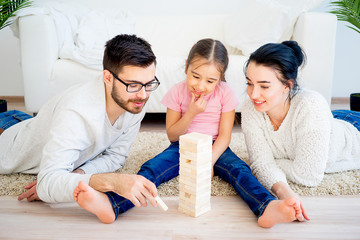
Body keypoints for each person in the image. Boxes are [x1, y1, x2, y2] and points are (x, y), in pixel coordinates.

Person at [73, 38, 302, 228]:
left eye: (211, 80)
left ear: (221, 78)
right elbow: (173, 135)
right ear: (186, 68)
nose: (201, 86)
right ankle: (112, 204)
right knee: (152, 168)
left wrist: (208, 161)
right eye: (195, 76)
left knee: (239, 170)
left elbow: (224, 136)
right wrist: (191, 113)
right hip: (182, 145)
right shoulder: (177, 92)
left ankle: (266, 207)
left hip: (215, 147)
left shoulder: (225, 93)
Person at [0, 34, 161, 208]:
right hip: (9, 146)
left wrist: (78, 175)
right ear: (107, 78)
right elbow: (47, 182)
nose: (143, 95)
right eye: (133, 85)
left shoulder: (135, 101)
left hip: (32, 124)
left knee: (38, 123)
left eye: (149, 84)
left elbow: (116, 157)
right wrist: (112, 181)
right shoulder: (75, 112)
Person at [241, 40, 360, 222]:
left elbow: (308, 175)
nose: (253, 94)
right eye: (250, 83)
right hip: (332, 119)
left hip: (353, 129)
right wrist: (284, 192)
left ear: (287, 85)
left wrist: (269, 163)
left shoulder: (311, 106)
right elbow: (259, 163)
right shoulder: (251, 108)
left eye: (264, 86)